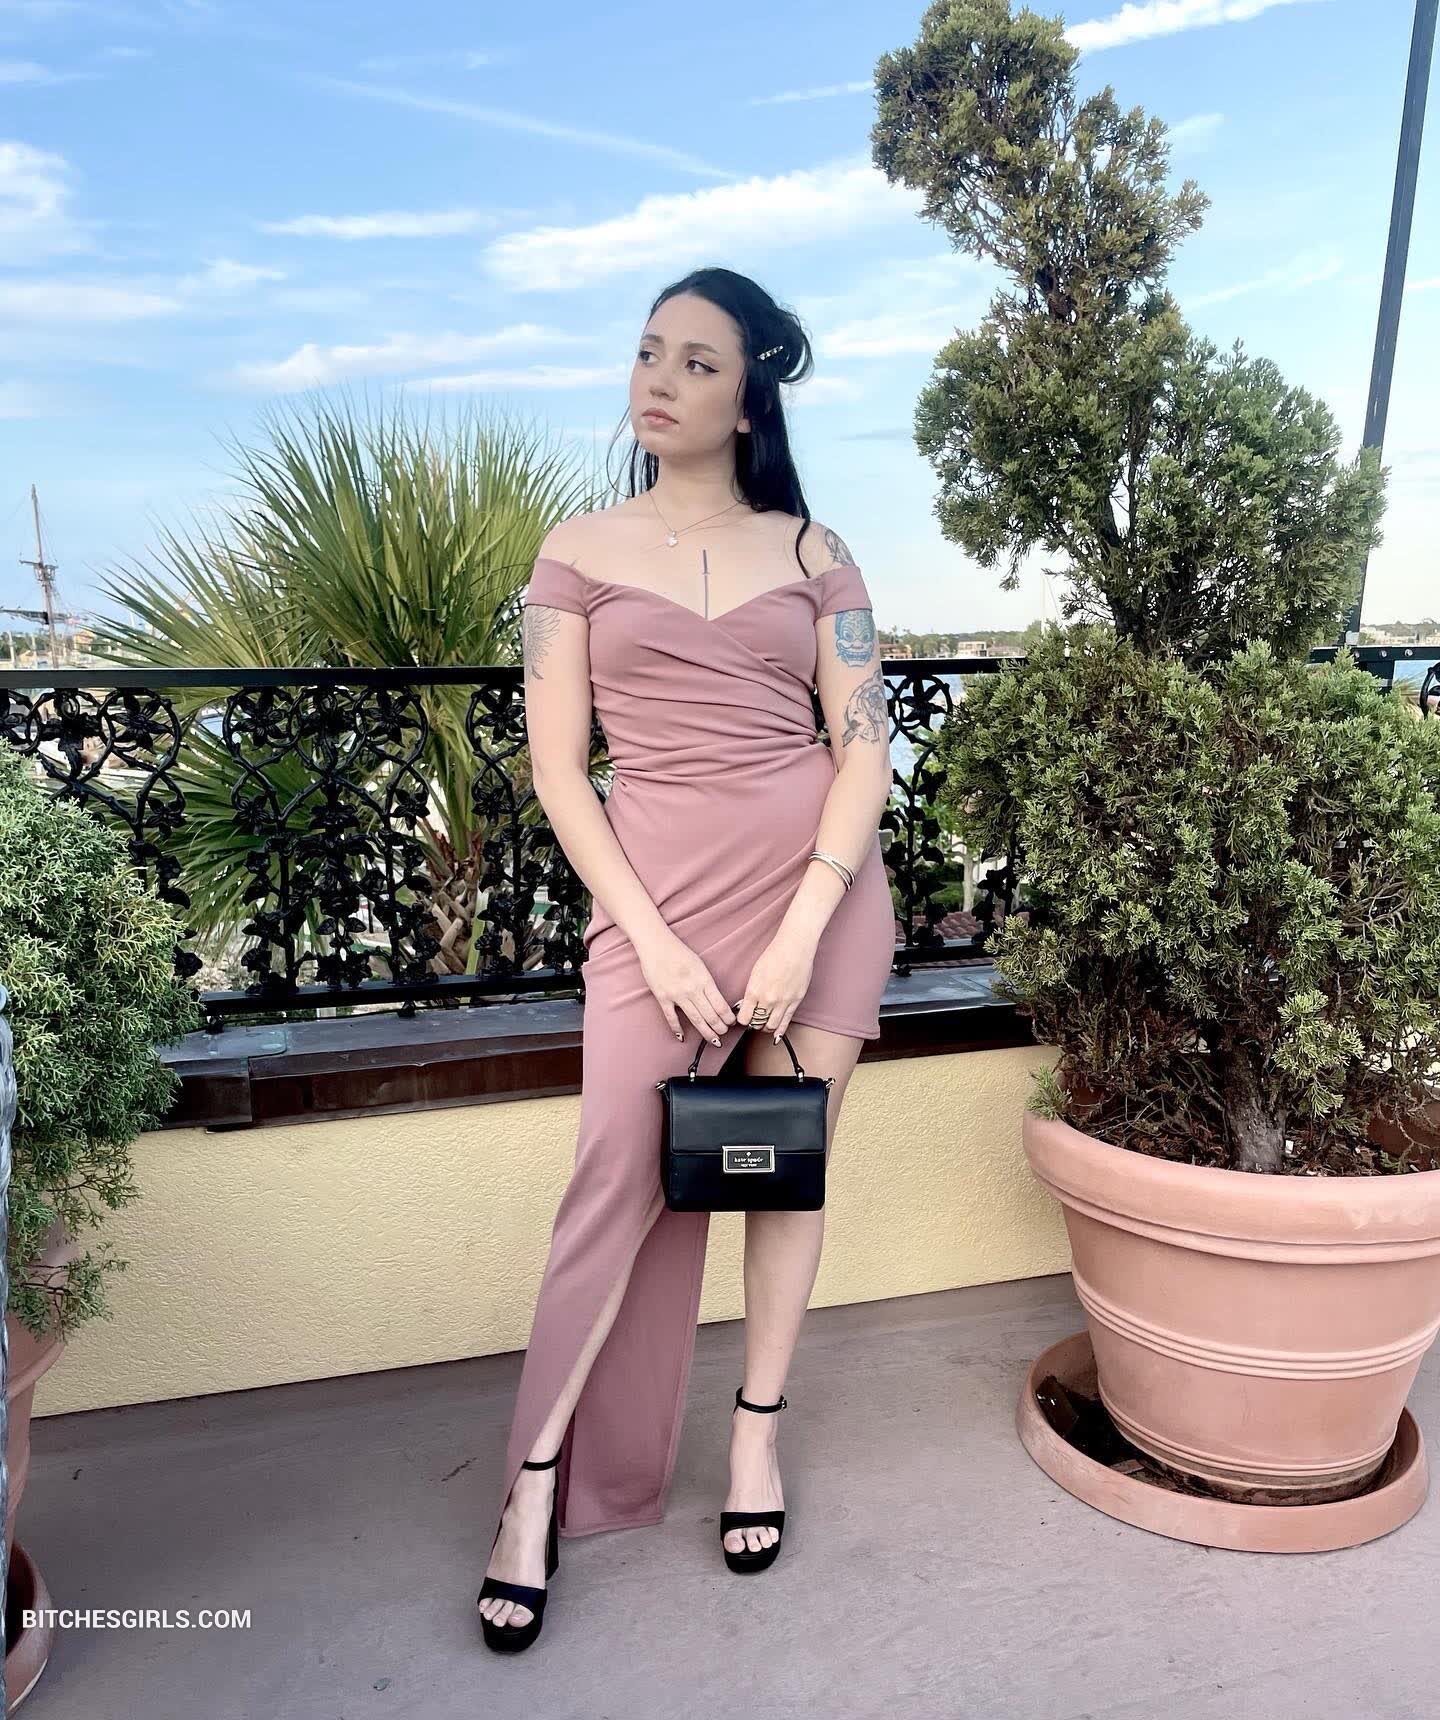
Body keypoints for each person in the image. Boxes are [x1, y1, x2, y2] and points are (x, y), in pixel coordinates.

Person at [477, 266, 895, 1652]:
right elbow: (559, 770)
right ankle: (537, 1479)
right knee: (613, 1177)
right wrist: (652, 942)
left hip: (818, 898)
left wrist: (805, 926)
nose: (658, 380)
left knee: (783, 1168)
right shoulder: (575, 549)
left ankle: (756, 1434)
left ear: (752, 394)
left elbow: (864, 750)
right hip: (653, 908)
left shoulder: (816, 551)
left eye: (698, 362)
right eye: (649, 352)